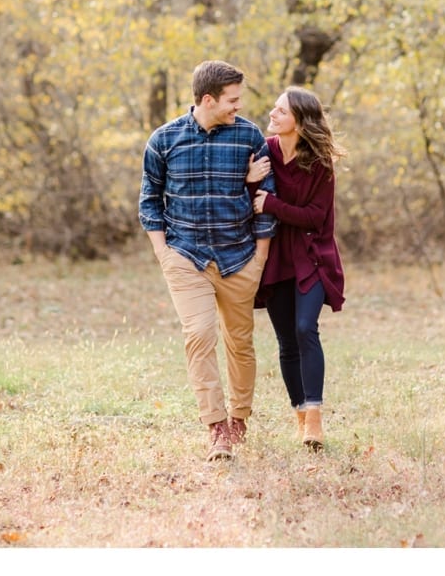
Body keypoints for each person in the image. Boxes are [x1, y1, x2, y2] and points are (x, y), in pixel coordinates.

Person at [138, 60, 276, 461]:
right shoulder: (164, 140)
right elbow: (149, 200)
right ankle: (216, 428)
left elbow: (265, 200)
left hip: (239, 257)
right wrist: (163, 252)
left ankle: (239, 419)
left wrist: (260, 256)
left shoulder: (249, 136)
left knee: (240, 343)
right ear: (208, 99)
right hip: (185, 256)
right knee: (199, 335)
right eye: (232, 101)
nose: (238, 107)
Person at [245, 86, 346, 450]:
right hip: (275, 257)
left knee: (306, 328)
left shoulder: (319, 163)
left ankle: (315, 419)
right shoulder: (264, 152)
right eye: (274, 109)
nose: (272, 115)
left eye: (281, 111)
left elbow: (316, 218)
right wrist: (250, 179)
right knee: (286, 340)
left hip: (312, 256)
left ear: (300, 122)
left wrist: (271, 204)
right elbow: (249, 197)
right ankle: (302, 420)